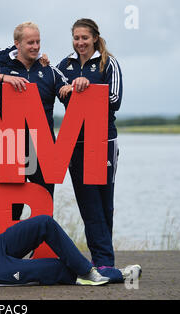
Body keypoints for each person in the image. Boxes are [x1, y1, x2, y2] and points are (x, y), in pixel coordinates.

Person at [0, 22, 90, 220]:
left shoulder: (49, 70)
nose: (35, 46)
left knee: (43, 206)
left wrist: (79, 85)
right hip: (11, 149)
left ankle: (41, 250)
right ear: (17, 44)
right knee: (11, 211)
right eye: (30, 42)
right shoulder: (2, 66)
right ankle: (10, 250)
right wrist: (4, 78)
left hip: (44, 151)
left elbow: (73, 97)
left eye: (38, 42)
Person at [57, 18, 140, 283]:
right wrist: (64, 87)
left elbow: (115, 101)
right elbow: (56, 90)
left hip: (103, 142)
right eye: (76, 38)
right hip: (75, 142)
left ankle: (104, 261)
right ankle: (104, 263)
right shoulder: (64, 64)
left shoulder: (109, 63)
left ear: (95, 38)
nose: (80, 42)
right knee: (87, 203)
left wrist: (85, 88)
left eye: (85, 38)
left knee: (104, 205)